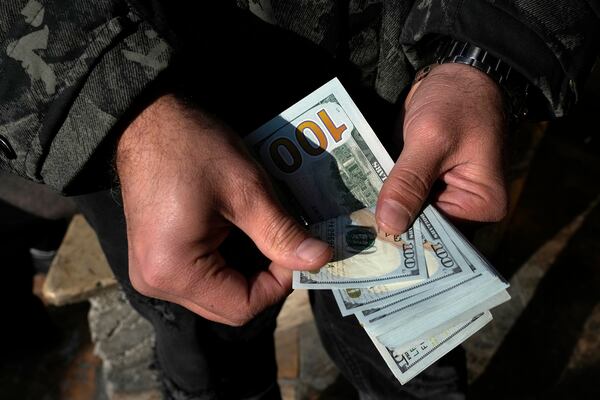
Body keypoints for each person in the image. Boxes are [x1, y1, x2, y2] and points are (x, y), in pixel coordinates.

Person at [1, 1, 598, 398]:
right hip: (152, 149)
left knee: (411, 346)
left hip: (395, 86)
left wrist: (483, 56)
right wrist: (110, 110)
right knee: (207, 341)